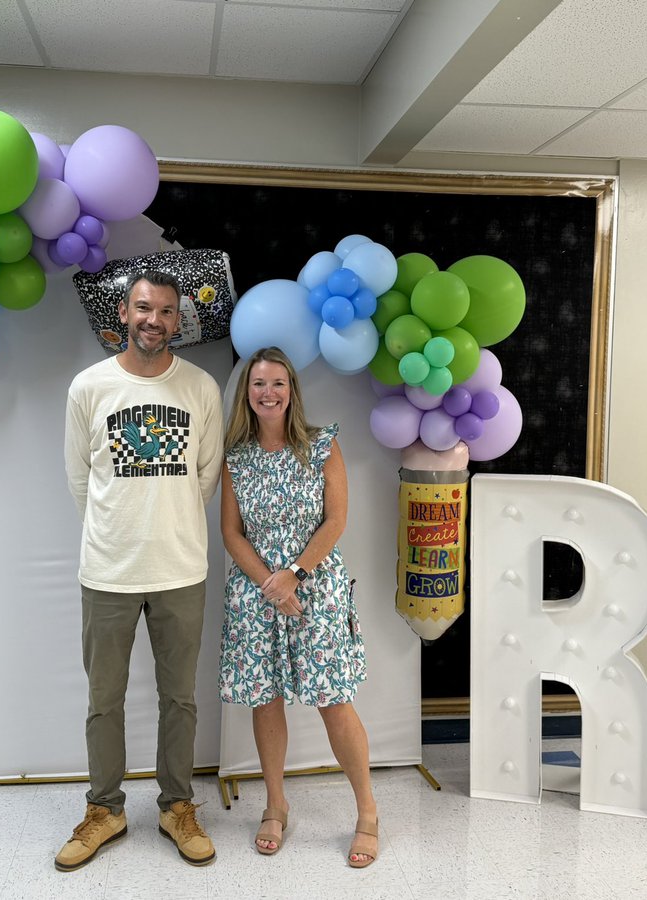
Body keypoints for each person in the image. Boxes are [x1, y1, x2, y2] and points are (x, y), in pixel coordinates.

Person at [59, 270, 223, 871]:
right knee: (105, 699)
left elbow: (205, 477)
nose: (154, 319)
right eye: (143, 308)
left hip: (180, 567)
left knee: (178, 698)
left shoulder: (202, 387)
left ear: (179, 321)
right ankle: (105, 809)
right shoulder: (89, 386)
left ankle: (177, 806)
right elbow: (81, 479)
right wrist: (120, 525)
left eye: (166, 311)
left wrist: (164, 518)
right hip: (107, 572)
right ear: (125, 314)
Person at [218, 346, 379, 868]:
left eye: (278, 384)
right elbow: (230, 532)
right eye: (258, 384)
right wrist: (269, 582)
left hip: (316, 590)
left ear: (292, 392)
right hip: (256, 592)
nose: (268, 393)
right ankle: (275, 804)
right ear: (247, 393)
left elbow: (335, 521)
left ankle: (368, 813)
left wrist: (295, 576)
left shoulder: (322, 444)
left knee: (334, 700)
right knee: (265, 699)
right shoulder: (235, 456)